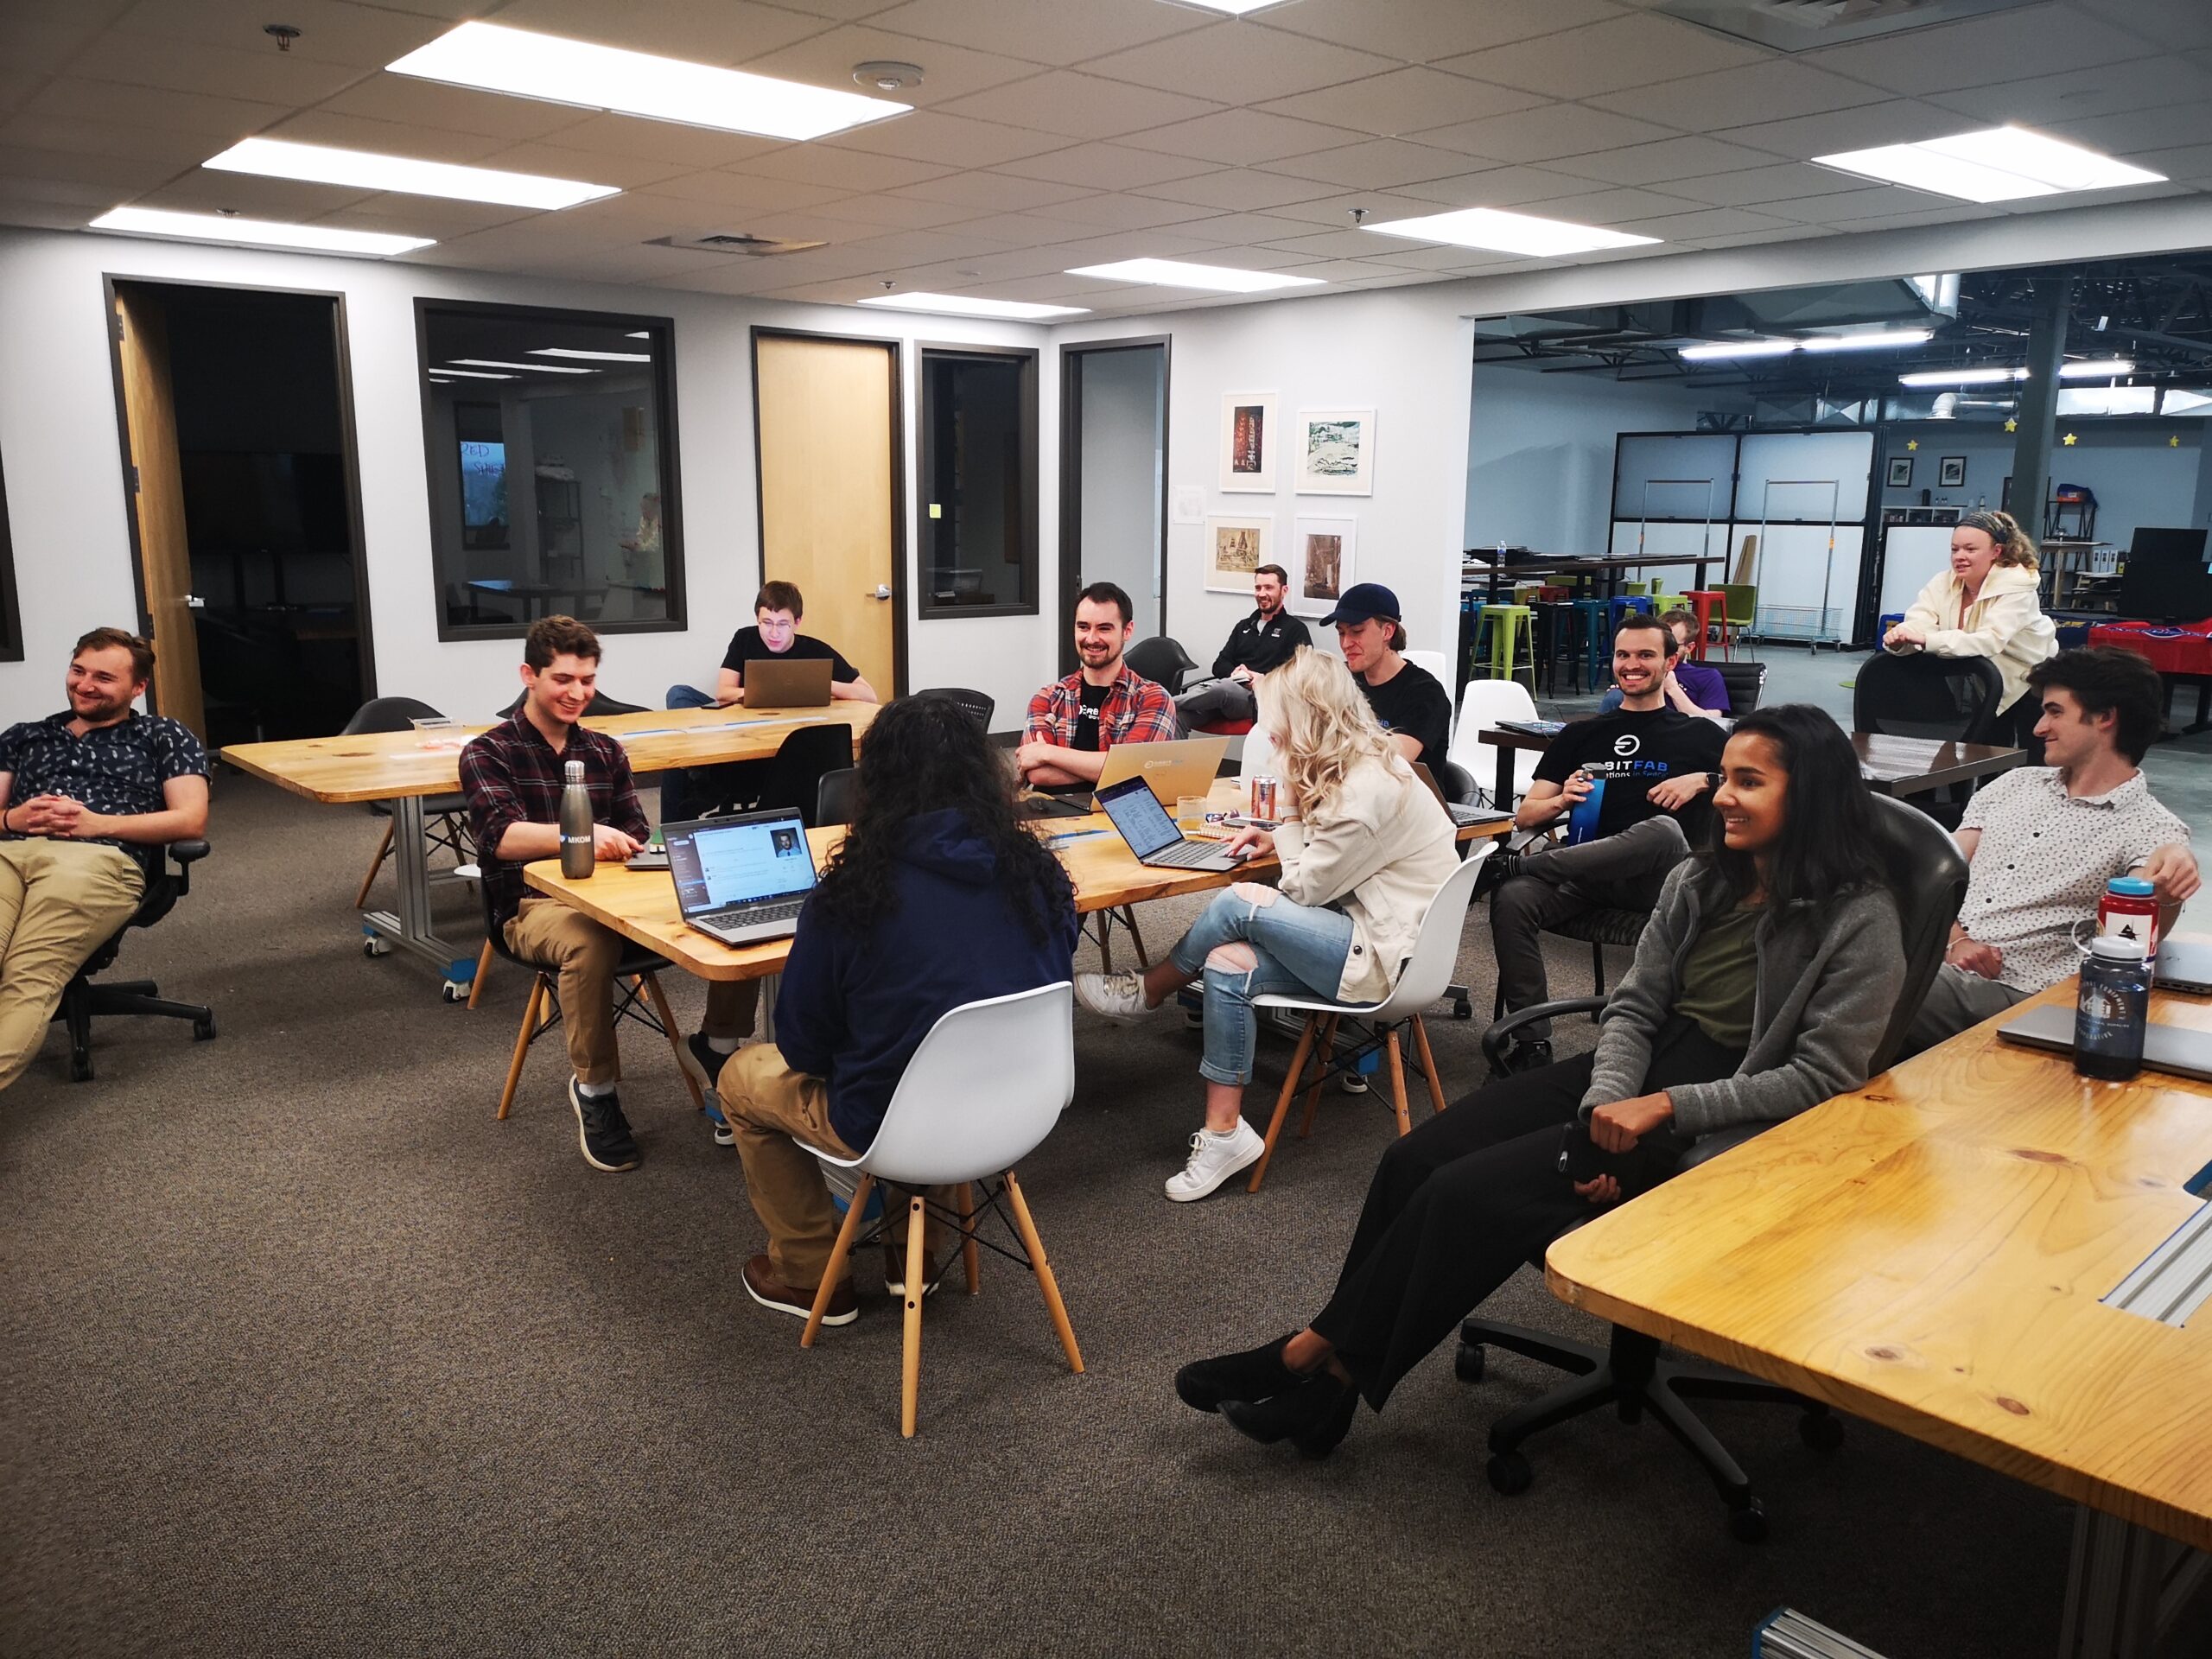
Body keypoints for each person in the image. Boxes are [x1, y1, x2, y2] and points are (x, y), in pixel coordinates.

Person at [1172, 705, 1904, 1458]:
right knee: (1412, 1159)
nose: (1722, 796)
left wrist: (1659, 1110)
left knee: (1464, 1196)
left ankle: (1306, 1360)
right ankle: (1329, 1387)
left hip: (1720, 1114)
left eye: (1749, 782)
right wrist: (1608, 1099)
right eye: (1724, 778)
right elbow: (1637, 1004)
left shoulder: (1861, 918)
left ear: (1809, 794)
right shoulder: (1701, 879)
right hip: (1629, 1073)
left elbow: (1822, 1077)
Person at [690, 695, 1079, 1325]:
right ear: (986, 777)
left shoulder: (851, 896)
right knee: (926, 1044)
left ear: (874, 783)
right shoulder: (1041, 878)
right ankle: (915, 1262)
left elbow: (804, 1050)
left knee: (740, 1079)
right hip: (1021, 1111)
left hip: (892, 1123)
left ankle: (811, 1274)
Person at [1075, 648, 1458, 1201]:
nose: (1267, 730)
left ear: (1306, 719)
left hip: (1388, 956)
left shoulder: (1359, 794)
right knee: (1226, 964)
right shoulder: (1364, 762)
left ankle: (1149, 990)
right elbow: (1320, 868)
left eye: (1275, 717)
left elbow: (1305, 888)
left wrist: (1289, 816)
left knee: (1240, 904)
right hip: (1376, 928)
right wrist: (1284, 828)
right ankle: (1224, 1133)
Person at [463, 615, 758, 1173]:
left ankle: (717, 1050)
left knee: (739, 902)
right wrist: (583, 835)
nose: (578, 693)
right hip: (528, 908)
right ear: (529, 675)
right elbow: (499, 838)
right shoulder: (489, 751)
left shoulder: (604, 750)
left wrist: (644, 848)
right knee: (588, 945)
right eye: (563, 679)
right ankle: (595, 1092)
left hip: (616, 901)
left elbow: (639, 836)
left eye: (588, 680)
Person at [1904, 645, 2197, 1054]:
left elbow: (2135, 932)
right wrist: (1954, 940)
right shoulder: (2014, 784)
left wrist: (2166, 892)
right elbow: (1931, 875)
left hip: (2017, 989)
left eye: (2055, 711)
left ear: (2105, 717)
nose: (2040, 727)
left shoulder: (2150, 828)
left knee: (1864, 979)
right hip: (1937, 957)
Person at [1484, 613, 1728, 1072]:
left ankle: (1520, 865)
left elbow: (1764, 785)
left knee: (1662, 830)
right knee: (1513, 898)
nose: (1631, 665)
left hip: (1660, 883)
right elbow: (1526, 814)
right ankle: (1532, 1046)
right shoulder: (1581, 734)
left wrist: (1704, 778)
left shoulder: (1699, 734)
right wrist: (1561, 799)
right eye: (1623, 655)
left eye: (1645, 655)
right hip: (1583, 877)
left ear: (1670, 662)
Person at [0, 627, 210, 1091]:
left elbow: (191, 820)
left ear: (137, 688)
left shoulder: (162, 735)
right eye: (78, 671)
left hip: (99, 860)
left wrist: (96, 824)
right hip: (10, 852)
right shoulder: (24, 736)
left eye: (103, 677)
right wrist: (13, 816)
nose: (85, 684)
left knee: (28, 975)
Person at [661, 580, 879, 822]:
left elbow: (869, 696)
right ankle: (699, 767)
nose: (774, 633)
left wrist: (822, 685)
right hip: (739, 728)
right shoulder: (745, 639)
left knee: (675, 769)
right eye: (767, 623)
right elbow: (723, 691)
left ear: (797, 622)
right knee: (679, 694)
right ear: (757, 618)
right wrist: (756, 693)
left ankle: (699, 771)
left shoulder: (816, 651)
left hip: (784, 747)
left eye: (783, 624)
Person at [1882, 508, 2056, 750]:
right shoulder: (1943, 582)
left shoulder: (2018, 586)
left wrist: (1925, 640)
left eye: (1970, 549)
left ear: (1996, 552)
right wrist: (1902, 637)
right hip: (1984, 681)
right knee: (1986, 753)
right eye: (1955, 549)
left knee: (2032, 754)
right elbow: (1920, 618)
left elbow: (1988, 640)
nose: (1959, 556)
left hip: (2028, 679)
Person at [1017, 581, 1178, 791]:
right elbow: (1038, 774)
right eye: (1083, 627)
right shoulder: (1047, 698)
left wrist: (1047, 753)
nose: (1091, 639)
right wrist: (1112, 768)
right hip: (1053, 816)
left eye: (1104, 629)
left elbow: (1134, 770)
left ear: (1127, 631)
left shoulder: (1153, 698)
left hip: (1118, 816)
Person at [1322, 583, 1452, 773]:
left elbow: (1394, 759)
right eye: (1341, 633)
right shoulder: (1343, 680)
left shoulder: (1426, 692)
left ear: (1388, 631)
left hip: (1408, 799)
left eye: (1356, 631)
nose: (1345, 643)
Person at [1175, 563, 1311, 732]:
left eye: (1269, 588)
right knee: (1178, 716)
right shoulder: (1244, 626)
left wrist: (1262, 679)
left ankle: (1163, 702)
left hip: (1261, 701)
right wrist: (1236, 673)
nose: (1262, 594)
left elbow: (1302, 676)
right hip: (1227, 695)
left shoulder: (1295, 630)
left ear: (1284, 591)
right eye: (1258, 588)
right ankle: (1173, 754)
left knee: (1223, 688)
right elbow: (1219, 664)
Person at [1598, 607, 1727, 720]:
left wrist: (1673, 689)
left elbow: (1714, 724)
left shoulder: (1707, 676)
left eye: (1673, 643)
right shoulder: (1641, 669)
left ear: (1689, 647)